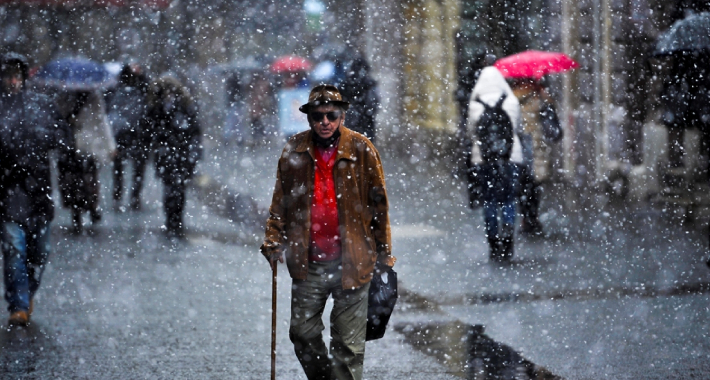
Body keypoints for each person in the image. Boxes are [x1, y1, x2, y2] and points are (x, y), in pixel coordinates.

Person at [261, 84, 395, 380]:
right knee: (302, 334)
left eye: (331, 115)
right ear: (308, 118)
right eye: (317, 116)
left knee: (348, 346)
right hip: (308, 262)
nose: (325, 122)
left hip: (353, 261)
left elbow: (379, 206)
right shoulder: (293, 150)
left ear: (342, 116)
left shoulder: (362, 149)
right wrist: (273, 239)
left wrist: (385, 255)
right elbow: (279, 203)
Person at [0, 53, 69, 326]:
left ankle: (26, 294)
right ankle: (18, 303)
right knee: (14, 249)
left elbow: (63, 137)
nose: (12, 81)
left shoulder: (41, 105)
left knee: (39, 251)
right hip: (8, 191)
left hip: (39, 191)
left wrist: (50, 138)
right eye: (8, 76)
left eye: (17, 75)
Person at [467, 67, 524, 262]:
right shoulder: (511, 101)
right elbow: (517, 127)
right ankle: (508, 239)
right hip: (510, 157)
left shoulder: (475, 104)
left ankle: (493, 243)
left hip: (483, 159)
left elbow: (471, 132)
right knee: (508, 198)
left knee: (489, 200)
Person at [147, 75, 202, 238]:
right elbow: (150, 129)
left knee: (179, 189)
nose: (168, 96)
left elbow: (194, 130)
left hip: (181, 154)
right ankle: (171, 220)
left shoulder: (186, 107)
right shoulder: (156, 108)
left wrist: (192, 151)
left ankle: (177, 220)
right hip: (166, 154)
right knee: (169, 187)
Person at [57, 89, 116, 234]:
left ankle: (90, 206)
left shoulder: (93, 98)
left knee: (87, 180)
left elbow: (101, 120)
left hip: (86, 145)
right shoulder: (65, 97)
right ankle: (81, 210)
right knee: (74, 181)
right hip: (72, 144)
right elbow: (57, 117)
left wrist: (110, 145)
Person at [511, 78, 560, 235]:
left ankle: (526, 218)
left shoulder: (512, 96)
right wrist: (547, 101)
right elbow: (552, 129)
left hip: (518, 147)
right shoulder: (539, 97)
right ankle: (532, 218)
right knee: (534, 185)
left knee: (522, 185)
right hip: (535, 145)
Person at [106, 63, 151, 211]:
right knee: (136, 169)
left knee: (120, 169)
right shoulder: (141, 91)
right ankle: (133, 197)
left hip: (124, 135)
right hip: (136, 135)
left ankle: (120, 197)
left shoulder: (116, 90)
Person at [339, 56, 379, 143]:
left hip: (349, 123)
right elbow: (373, 104)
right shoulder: (370, 84)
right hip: (366, 125)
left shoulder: (345, 83)